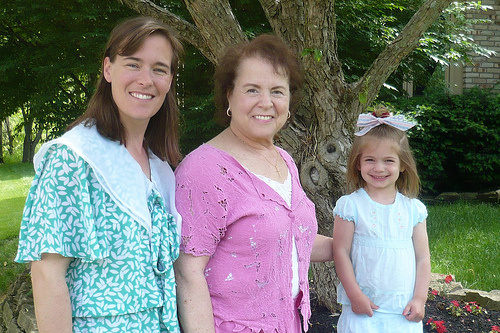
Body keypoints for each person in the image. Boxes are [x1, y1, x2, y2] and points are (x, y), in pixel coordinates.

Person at [15, 16, 184, 333]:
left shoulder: (160, 167)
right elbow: (47, 274)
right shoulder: (73, 158)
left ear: (170, 80)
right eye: (133, 64)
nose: (146, 79)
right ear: (108, 69)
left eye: (159, 69)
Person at [174, 34, 334, 333]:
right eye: (252, 90)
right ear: (229, 97)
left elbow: (289, 241)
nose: (266, 102)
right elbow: (187, 273)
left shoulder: (284, 159)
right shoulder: (204, 170)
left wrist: (356, 244)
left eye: (277, 91)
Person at [332, 109, 431, 333]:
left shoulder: (413, 209)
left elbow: (423, 258)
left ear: (402, 164)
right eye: (370, 160)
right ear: (358, 163)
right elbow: (340, 252)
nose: (379, 168)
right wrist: (355, 295)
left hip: (402, 313)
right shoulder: (351, 206)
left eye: (388, 160)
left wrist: (419, 299)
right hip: (363, 312)